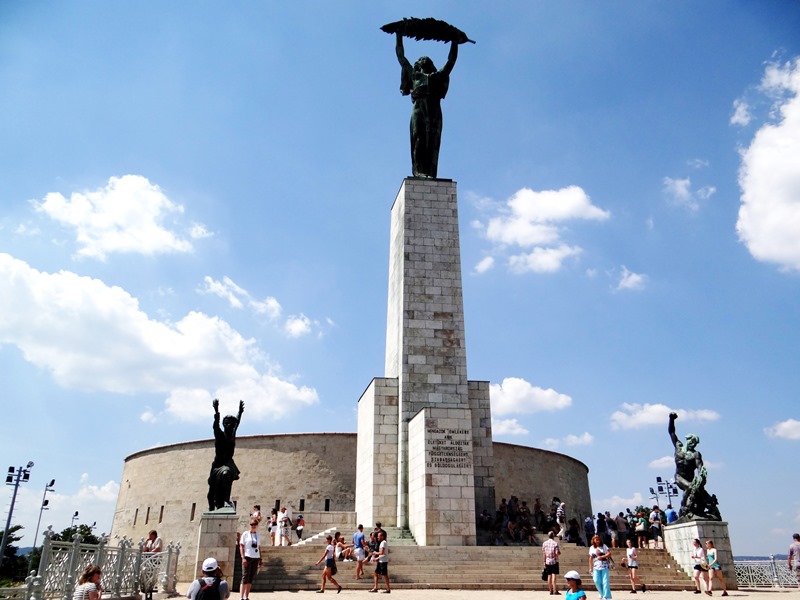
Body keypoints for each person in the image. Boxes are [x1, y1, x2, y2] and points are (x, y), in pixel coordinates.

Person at [394, 31, 459, 178]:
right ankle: (419, 171)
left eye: (425, 58)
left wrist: (454, 42)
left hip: (434, 109)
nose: (423, 59)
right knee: (419, 138)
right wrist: (399, 35)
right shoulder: (415, 75)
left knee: (433, 141)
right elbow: (401, 58)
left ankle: (430, 172)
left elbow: (450, 62)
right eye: (421, 58)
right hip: (419, 108)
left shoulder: (437, 77)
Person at [207, 399, 244, 511]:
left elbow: (237, 422)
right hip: (218, 464)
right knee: (211, 493)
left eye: (230, 423)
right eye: (226, 423)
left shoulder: (232, 433)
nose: (228, 425)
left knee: (226, 473)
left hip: (228, 463)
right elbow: (215, 426)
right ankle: (212, 508)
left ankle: (226, 500)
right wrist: (216, 410)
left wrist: (240, 412)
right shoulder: (220, 435)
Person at [238, 519, 261, 600]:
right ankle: (241, 597)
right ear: (250, 525)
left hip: (256, 557)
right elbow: (241, 546)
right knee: (245, 577)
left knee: (251, 577)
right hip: (247, 557)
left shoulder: (258, 535)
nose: (253, 526)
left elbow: (258, 547)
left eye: (255, 524)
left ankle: (246, 596)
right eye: (252, 524)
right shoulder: (245, 534)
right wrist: (243, 557)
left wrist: (260, 559)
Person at [589, 534, 612, 600]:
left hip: (604, 566)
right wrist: (590, 568)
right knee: (596, 580)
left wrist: (602, 556)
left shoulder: (604, 546)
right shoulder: (591, 548)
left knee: (605, 581)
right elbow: (590, 558)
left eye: (598, 539)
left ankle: (606, 596)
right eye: (596, 539)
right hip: (596, 567)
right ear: (593, 540)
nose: (597, 540)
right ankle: (601, 593)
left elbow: (609, 554)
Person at [542, 530, 561, 595]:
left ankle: (550, 590)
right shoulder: (555, 543)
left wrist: (544, 561)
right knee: (554, 575)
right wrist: (559, 553)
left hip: (547, 561)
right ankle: (555, 590)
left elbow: (544, 553)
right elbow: (557, 553)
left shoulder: (545, 543)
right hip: (554, 561)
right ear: (553, 536)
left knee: (549, 576)